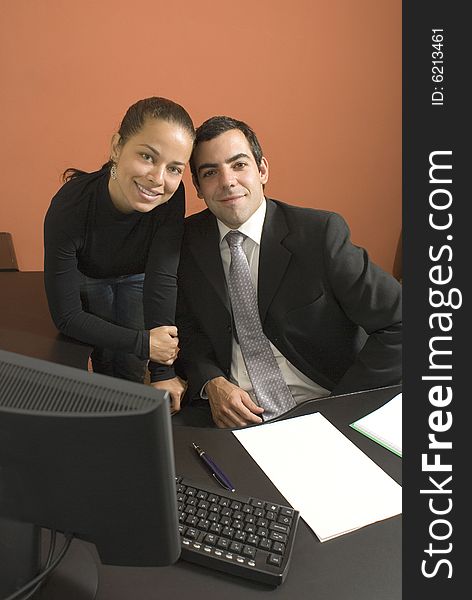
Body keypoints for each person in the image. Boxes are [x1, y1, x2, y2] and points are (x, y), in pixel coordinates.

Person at [175, 116, 402, 428]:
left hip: (324, 403)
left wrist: (341, 407)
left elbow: (401, 323)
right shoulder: (187, 242)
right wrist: (211, 382)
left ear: (262, 170)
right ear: (198, 187)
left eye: (239, 165)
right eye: (210, 172)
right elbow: (186, 330)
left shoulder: (319, 235)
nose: (227, 181)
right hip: (231, 414)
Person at [44, 97, 195, 412]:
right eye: (146, 156)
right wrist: (143, 342)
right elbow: (67, 316)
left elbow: (162, 277)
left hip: (140, 276)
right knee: (103, 363)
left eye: (174, 168)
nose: (158, 178)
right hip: (90, 274)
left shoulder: (171, 195)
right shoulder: (69, 206)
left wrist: (163, 372)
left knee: (128, 371)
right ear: (116, 147)